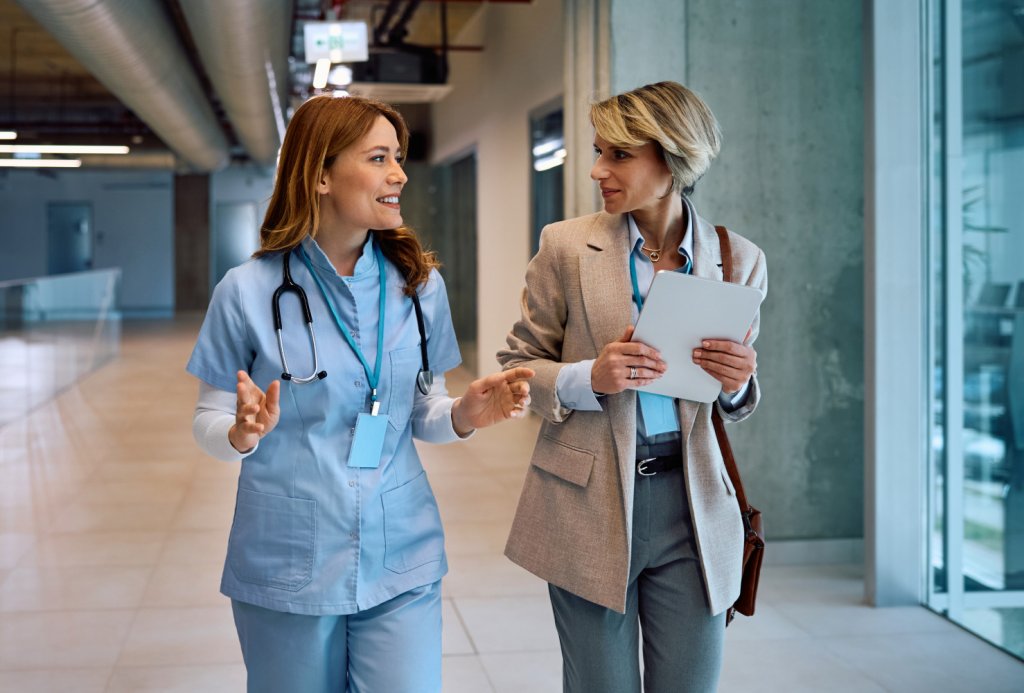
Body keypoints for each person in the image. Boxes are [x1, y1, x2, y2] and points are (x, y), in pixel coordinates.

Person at [187, 94, 533, 693]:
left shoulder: (420, 288)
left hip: (401, 547)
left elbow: (424, 409)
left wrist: (464, 413)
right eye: (378, 158)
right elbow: (209, 418)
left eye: (398, 157)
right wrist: (239, 434)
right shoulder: (246, 291)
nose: (398, 173)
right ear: (320, 174)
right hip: (288, 554)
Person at [497, 81, 767, 692]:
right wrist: (587, 377)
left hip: (693, 503)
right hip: (587, 496)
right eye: (599, 151)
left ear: (671, 159)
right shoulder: (565, 246)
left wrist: (736, 382)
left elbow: (737, 397)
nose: (597, 170)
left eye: (618, 155)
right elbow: (518, 362)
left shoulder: (739, 259)